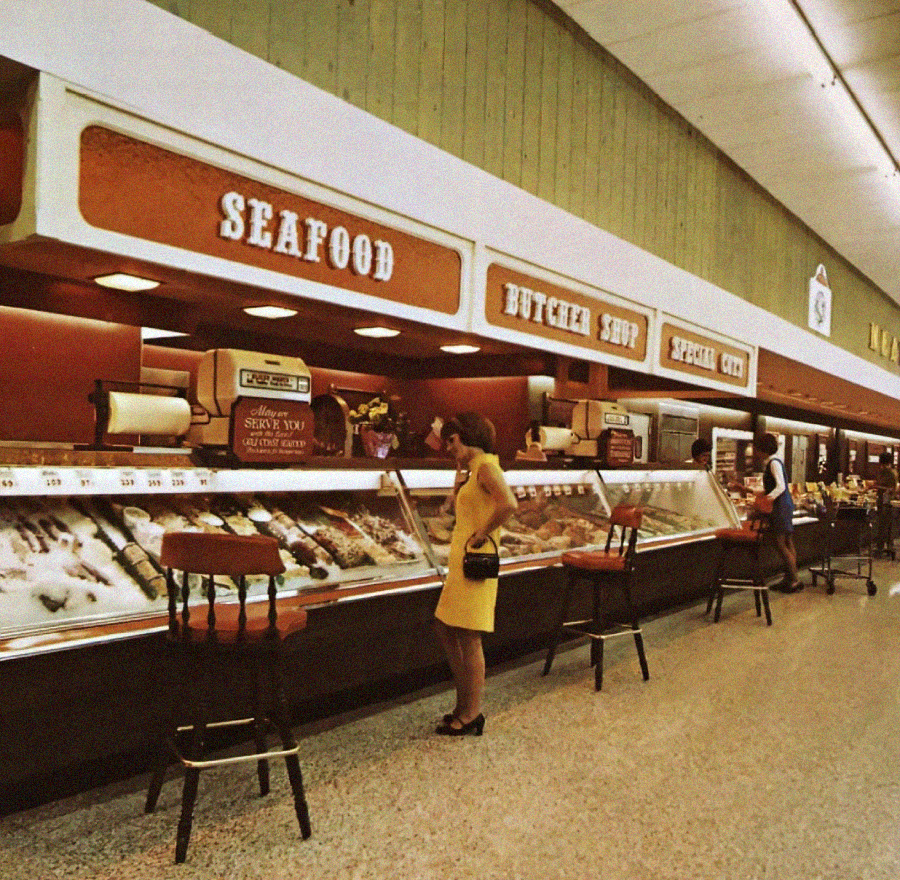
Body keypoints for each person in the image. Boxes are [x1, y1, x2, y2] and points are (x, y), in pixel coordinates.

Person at [434, 413, 518, 737]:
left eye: (452, 440)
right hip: (462, 561)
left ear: (468, 436)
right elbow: (462, 508)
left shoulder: (486, 466)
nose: (448, 447)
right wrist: (458, 479)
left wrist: (483, 532)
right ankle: (462, 703)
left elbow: (508, 503)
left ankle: (471, 714)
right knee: (445, 627)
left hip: (475, 563)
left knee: (469, 636)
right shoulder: (474, 469)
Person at [754, 433, 801, 593]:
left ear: (763, 449)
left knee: (780, 544)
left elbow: (780, 486)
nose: (755, 452)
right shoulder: (775, 462)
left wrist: (768, 499)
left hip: (780, 507)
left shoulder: (773, 463)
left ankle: (794, 580)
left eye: (757, 449)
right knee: (788, 542)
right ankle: (791, 578)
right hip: (785, 505)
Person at [874, 451, 898, 556]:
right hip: (888, 501)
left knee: (882, 525)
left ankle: (880, 548)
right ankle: (889, 546)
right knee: (888, 525)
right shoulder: (893, 472)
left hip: (885, 500)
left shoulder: (887, 472)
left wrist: (877, 487)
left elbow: (890, 488)